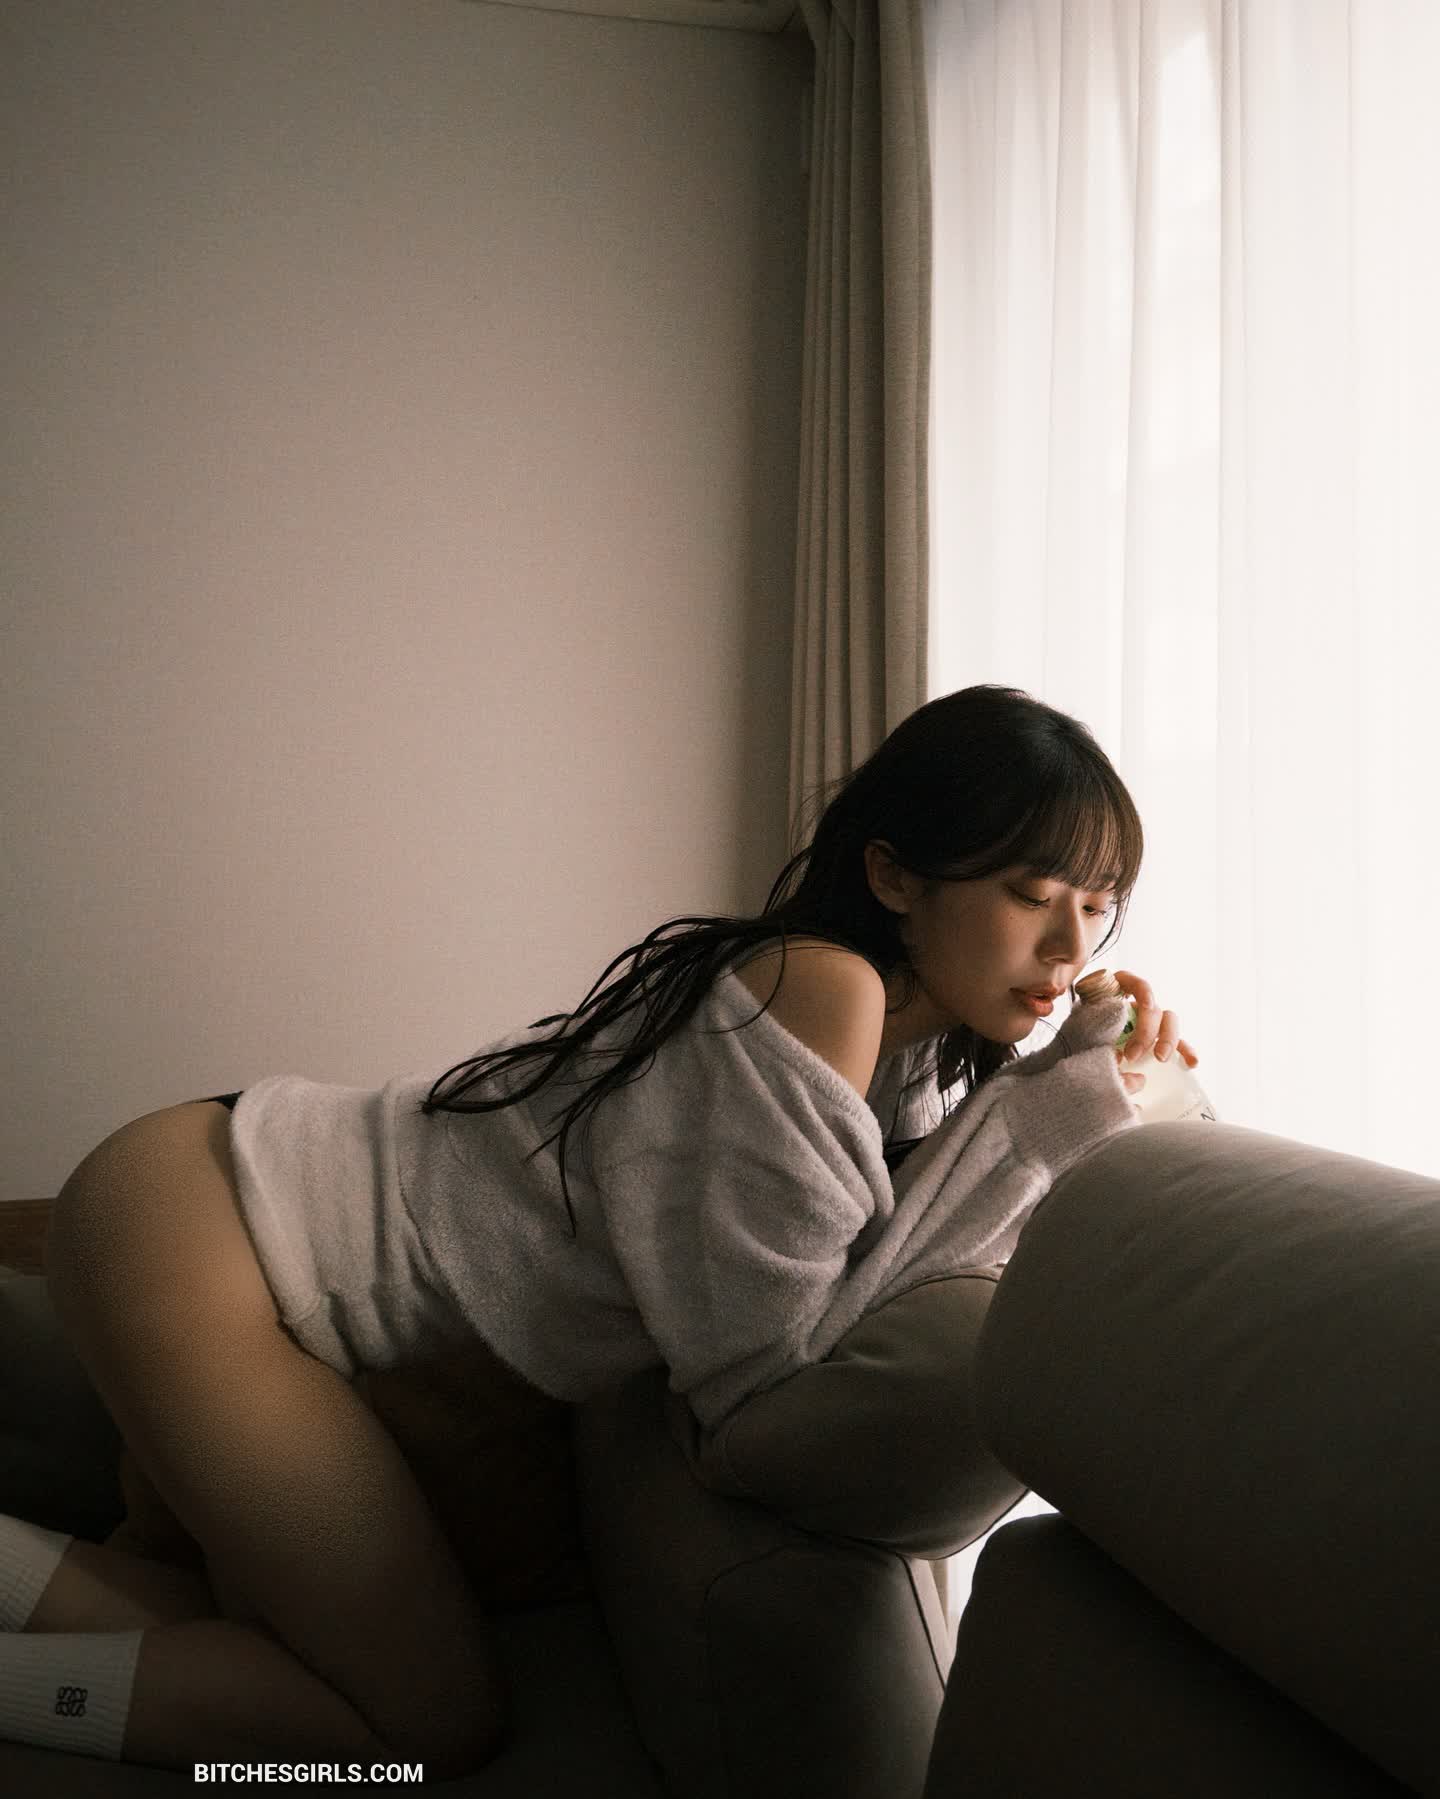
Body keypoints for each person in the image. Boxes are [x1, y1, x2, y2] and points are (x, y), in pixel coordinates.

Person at [0, 685, 1197, 1775]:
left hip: (211, 1200)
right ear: (893, 875)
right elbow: (765, 1372)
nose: (1070, 947)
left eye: (1096, 908)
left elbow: (877, 1276)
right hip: (207, 1228)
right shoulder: (822, 987)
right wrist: (1044, 1116)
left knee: (226, 1615)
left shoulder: (917, 1067)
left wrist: (1067, 1094)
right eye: (1031, 894)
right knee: (418, 1726)